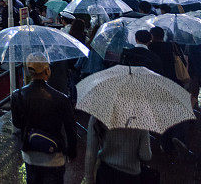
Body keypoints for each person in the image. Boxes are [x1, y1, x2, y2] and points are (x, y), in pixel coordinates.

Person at [11, 54, 77, 184]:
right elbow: (70, 129)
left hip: (30, 153)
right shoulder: (61, 98)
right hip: (54, 156)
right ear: (47, 70)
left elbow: (17, 123)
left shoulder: (18, 95)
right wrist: (71, 152)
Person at [84, 116, 151, 184]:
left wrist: (89, 178)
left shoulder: (97, 115)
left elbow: (91, 152)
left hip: (105, 173)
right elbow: (146, 156)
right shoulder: (141, 120)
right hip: (131, 177)